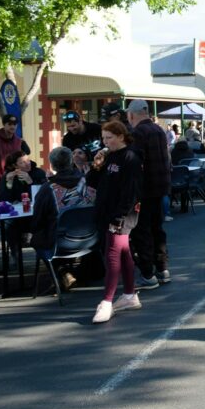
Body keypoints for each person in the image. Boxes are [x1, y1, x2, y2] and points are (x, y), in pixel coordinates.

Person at [83, 121, 143, 323]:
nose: (105, 141)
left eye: (109, 137)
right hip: (106, 212)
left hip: (121, 215)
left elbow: (131, 192)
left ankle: (107, 302)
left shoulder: (131, 158)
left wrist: (120, 217)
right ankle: (129, 294)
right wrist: (96, 165)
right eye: (104, 137)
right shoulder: (109, 157)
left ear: (121, 136)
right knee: (124, 253)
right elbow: (92, 181)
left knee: (112, 255)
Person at [30, 147, 97, 290]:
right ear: (71, 161)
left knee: (37, 238)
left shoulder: (48, 189)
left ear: (52, 166)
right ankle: (71, 271)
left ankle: (60, 271)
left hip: (61, 243)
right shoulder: (88, 181)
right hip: (92, 239)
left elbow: (37, 221)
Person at [126, 99, 171, 289]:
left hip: (145, 189)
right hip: (160, 187)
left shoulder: (138, 133)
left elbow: (135, 162)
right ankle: (162, 269)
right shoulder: (159, 130)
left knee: (142, 232)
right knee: (157, 229)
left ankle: (147, 273)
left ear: (131, 115)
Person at [0, 113, 29, 202]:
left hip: (16, 185)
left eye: (15, 124)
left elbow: (20, 161)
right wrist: (3, 180)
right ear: (4, 125)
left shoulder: (18, 141)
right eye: (9, 124)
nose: (12, 126)